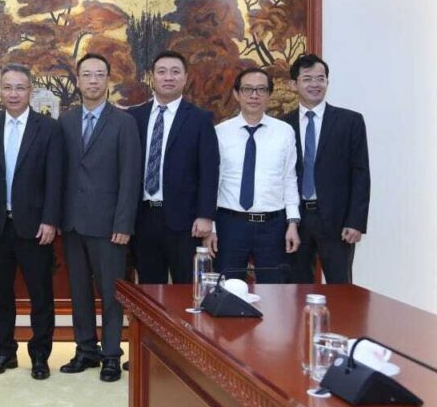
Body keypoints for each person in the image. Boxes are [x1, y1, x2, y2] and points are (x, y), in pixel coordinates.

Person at [59, 53, 141, 383]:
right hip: (72, 223)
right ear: (77, 80)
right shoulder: (65, 121)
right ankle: (85, 350)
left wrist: (123, 223)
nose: (93, 80)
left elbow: (130, 177)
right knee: (79, 291)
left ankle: (110, 354)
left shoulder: (124, 122)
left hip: (109, 227)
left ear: (108, 80)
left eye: (99, 74)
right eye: (87, 75)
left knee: (110, 294)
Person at [0, 63, 64, 380]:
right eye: (8, 87)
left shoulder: (49, 128)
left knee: (41, 295)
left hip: (35, 227)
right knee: (0, 295)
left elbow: (56, 179)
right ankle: (5, 351)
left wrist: (50, 219)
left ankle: (40, 355)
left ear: (30, 90)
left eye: (20, 87)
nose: (13, 93)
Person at [126, 51, 219, 285]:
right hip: (143, 218)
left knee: (186, 287)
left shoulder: (200, 119)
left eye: (175, 72)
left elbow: (209, 171)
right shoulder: (134, 117)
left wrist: (205, 215)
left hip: (184, 221)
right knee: (149, 288)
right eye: (162, 72)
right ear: (152, 77)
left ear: (185, 77)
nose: (168, 77)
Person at [283, 54, 370, 284]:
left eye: (320, 78)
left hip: (337, 220)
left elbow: (360, 173)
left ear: (327, 82)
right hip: (295, 220)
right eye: (307, 78)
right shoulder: (282, 125)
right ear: (294, 84)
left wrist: (356, 221)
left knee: (341, 288)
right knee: (297, 288)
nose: (315, 84)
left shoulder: (350, 121)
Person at [208, 68, 300, 283]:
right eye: (247, 89)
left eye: (261, 90)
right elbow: (212, 183)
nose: (254, 95)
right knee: (228, 290)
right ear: (236, 94)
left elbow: (289, 179)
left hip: (273, 226)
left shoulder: (284, 132)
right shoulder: (220, 132)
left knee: (275, 293)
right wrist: (211, 228)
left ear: (269, 94)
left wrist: (293, 223)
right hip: (230, 225)